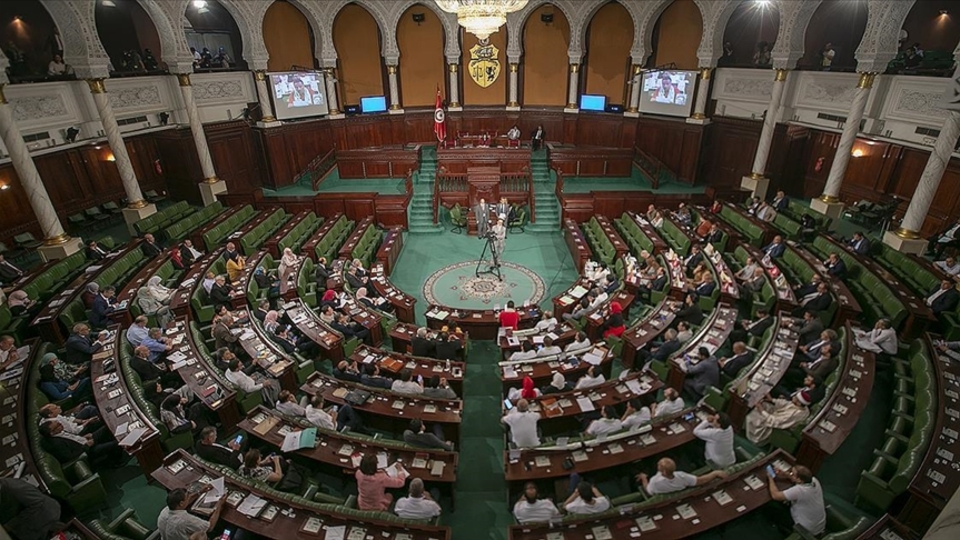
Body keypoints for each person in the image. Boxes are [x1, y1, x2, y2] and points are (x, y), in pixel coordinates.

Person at [38, 419, 124, 468]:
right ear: (52, 433)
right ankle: (115, 461)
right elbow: (69, 456)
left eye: (59, 423)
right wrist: (86, 446)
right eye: (58, 425)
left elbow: (72, 437)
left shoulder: (58, 432)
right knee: (116, 443)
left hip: (84, 439)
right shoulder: (56, 444)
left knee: (106, 427)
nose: (61, 425)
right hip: (88, 451)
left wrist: (84, 437)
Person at [768, 465, 826, 536]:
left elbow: (775, 495)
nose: (790, 474)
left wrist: (770, 478)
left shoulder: (799, 490)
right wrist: (785, 474)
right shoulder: (814, 480)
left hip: (806, 530)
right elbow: (798, 480)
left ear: (799, 479)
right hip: (819, 525)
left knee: (772, 506)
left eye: (792, 473)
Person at [745, 390, 812, 444]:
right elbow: (786, 404)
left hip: (773, 427)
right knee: (764, 404)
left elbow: (776, 422)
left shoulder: (795, 414)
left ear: (799, 403)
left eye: (795, 398)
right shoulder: (802, 406)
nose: (793, 397)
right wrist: (772, 400)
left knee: (752, 416)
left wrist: (761, 410)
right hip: (775, 415)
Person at [157, 486, 224, 540]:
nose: (189, 497)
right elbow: (210, 527)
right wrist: (219, 505)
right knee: (201, 534)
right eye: (187, 497)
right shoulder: (184, 519)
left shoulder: (164, 511)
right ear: (181, 503)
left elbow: (185, 503)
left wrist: (200, 492)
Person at [637, 457, 727, 495]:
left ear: (663, 472)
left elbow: (649, 491)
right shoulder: (682, 476)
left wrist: (644, 478)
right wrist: (715, 473)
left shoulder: (654, 481)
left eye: (659, 465)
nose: (657, 464)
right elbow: (701, 481)